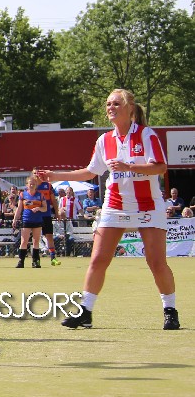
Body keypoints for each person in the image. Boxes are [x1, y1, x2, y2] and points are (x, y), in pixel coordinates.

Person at [59, 89, 180, 331]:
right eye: (108, 104)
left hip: (148, 205)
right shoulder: (104, 140)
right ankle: (86, 312)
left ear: (129, 108)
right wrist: (54, 175)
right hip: (114, 205)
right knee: (98, 260)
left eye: (116, 103)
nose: (110, 108)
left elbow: (160, 168)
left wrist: (129, 166)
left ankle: (170, 311)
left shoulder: (146, 135)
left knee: (156, 262)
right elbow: (90, 172)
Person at [12, 176, 48, 268]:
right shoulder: (23, 195)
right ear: (27, 185)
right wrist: (15, 219)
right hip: (26, 220)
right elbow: (19, 208)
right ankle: (21, 261)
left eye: (33, 184)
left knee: (36, 241)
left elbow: (45, 208)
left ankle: (35, 261)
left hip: (37, 220)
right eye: (30, 184)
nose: (31, 185)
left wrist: (38, 208)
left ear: (36, 185)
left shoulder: (40, 195)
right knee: (24, 241)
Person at [33, 168, 60, 266]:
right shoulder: (31, 186)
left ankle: (53, 258)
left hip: (46, 215)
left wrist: (57, 212)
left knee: (49, 236)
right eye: (34, 173)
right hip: (35, 216)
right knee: (35, 238)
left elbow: (53, 200)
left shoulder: (48, 186)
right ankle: (36, 259)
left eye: (38, 173)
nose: (37, 175)